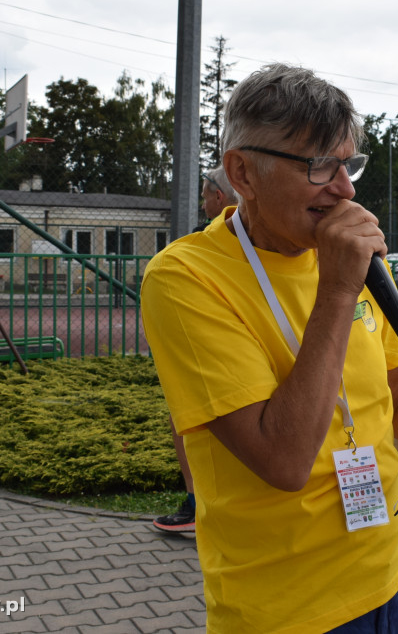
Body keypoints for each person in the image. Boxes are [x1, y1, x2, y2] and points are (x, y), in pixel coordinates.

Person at [141, 63, 398, 633]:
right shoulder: (185, 278)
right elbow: (281, 460)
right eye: (318, 165)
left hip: (394, 568)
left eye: (348, 163)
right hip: (289, 608)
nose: (345, 188)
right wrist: (336, 288)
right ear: (243, 172)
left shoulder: (354, 259)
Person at [153, 166, 239, 533]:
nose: (203, 200)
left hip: (218, 354)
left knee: (185, 415)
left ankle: (195, 503)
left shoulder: (203, 247)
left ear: (219, 197)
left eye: (205, 194)